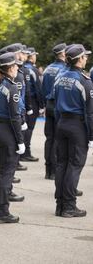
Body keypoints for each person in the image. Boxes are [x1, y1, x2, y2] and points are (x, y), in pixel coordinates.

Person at [53, 44, 92, 218]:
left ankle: (60, 204)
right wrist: (91, 135)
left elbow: (55, 105)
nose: (87, 59)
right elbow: (90, 112)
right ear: (80, 59)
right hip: (77, 126)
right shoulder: (85, 81)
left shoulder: (60, 77)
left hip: (62, 123)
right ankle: (69, 206)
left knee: (62, 164)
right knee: (74, 165)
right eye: (85, 57)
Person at [0, 52, 24, 224]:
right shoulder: (12, 87)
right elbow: (15, 117)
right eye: (16, 65)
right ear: (9, 69)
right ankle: (1, 212)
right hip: (6, 132)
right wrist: (21, 140)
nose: (18, 68)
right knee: (6, 174)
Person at [42, 43, 67, 180]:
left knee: (49, 138)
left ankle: (48, 170)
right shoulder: (64, 70)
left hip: (49, 104)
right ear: (63, 54)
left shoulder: (48, 69)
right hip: (57, 105)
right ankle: (54, 171)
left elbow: (43, 88)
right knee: (57, 139)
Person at [22, 47, 44, 162]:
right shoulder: (32, 70)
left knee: (24, 126)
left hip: (25, 100)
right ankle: (26, 152)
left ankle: (23, 151)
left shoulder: (23, 68)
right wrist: (41, 105)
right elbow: (38, 88)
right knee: (29, 127)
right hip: (32, 101)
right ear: (32, 56)